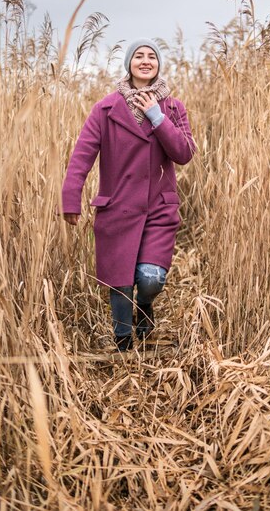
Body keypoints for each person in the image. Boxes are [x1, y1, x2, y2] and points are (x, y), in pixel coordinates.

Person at [61, 38, 195, 351]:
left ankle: (145, 306)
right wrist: (71, 198)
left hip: (158, 209)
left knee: (149, 279)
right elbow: (82, 155)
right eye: (139, 56)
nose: (145, 61)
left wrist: (156, 117)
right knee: (120, 281)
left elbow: (184, 153)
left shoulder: (173, 108)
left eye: (152, 56)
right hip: (117, 207)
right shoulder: (105, 108)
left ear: (159, 65)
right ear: (129, 64)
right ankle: (123, 345)